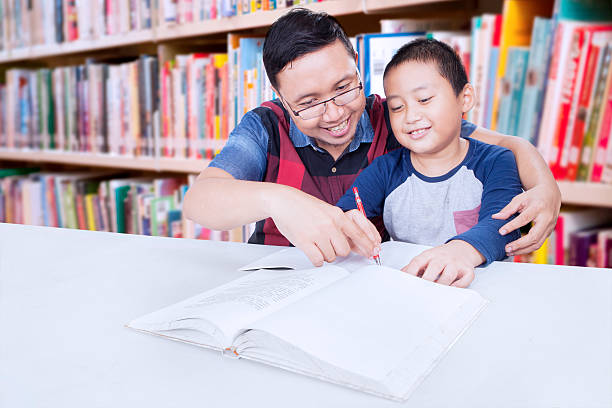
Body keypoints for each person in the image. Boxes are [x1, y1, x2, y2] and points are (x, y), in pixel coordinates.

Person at [183, 8, 561, 267]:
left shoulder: (396, 118)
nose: (334, 114)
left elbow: (507, 146)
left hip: (369, 283)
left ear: (359, 67)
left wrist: (546, 188)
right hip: (280, 277)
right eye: (309, 103)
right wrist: (279, 199)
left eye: (345, 88)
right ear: (282, 100)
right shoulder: (265, 125)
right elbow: (200, 201)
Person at [337, 38, 522, 287]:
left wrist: (458, 252)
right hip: (410, 289)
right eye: (397, 106)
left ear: (465, 98)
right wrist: (348, 223)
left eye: (424, 99)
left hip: (482, 289)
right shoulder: (385, 169)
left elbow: (503, 226)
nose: (410, 116)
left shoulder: (497, 161)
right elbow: (344, 213)